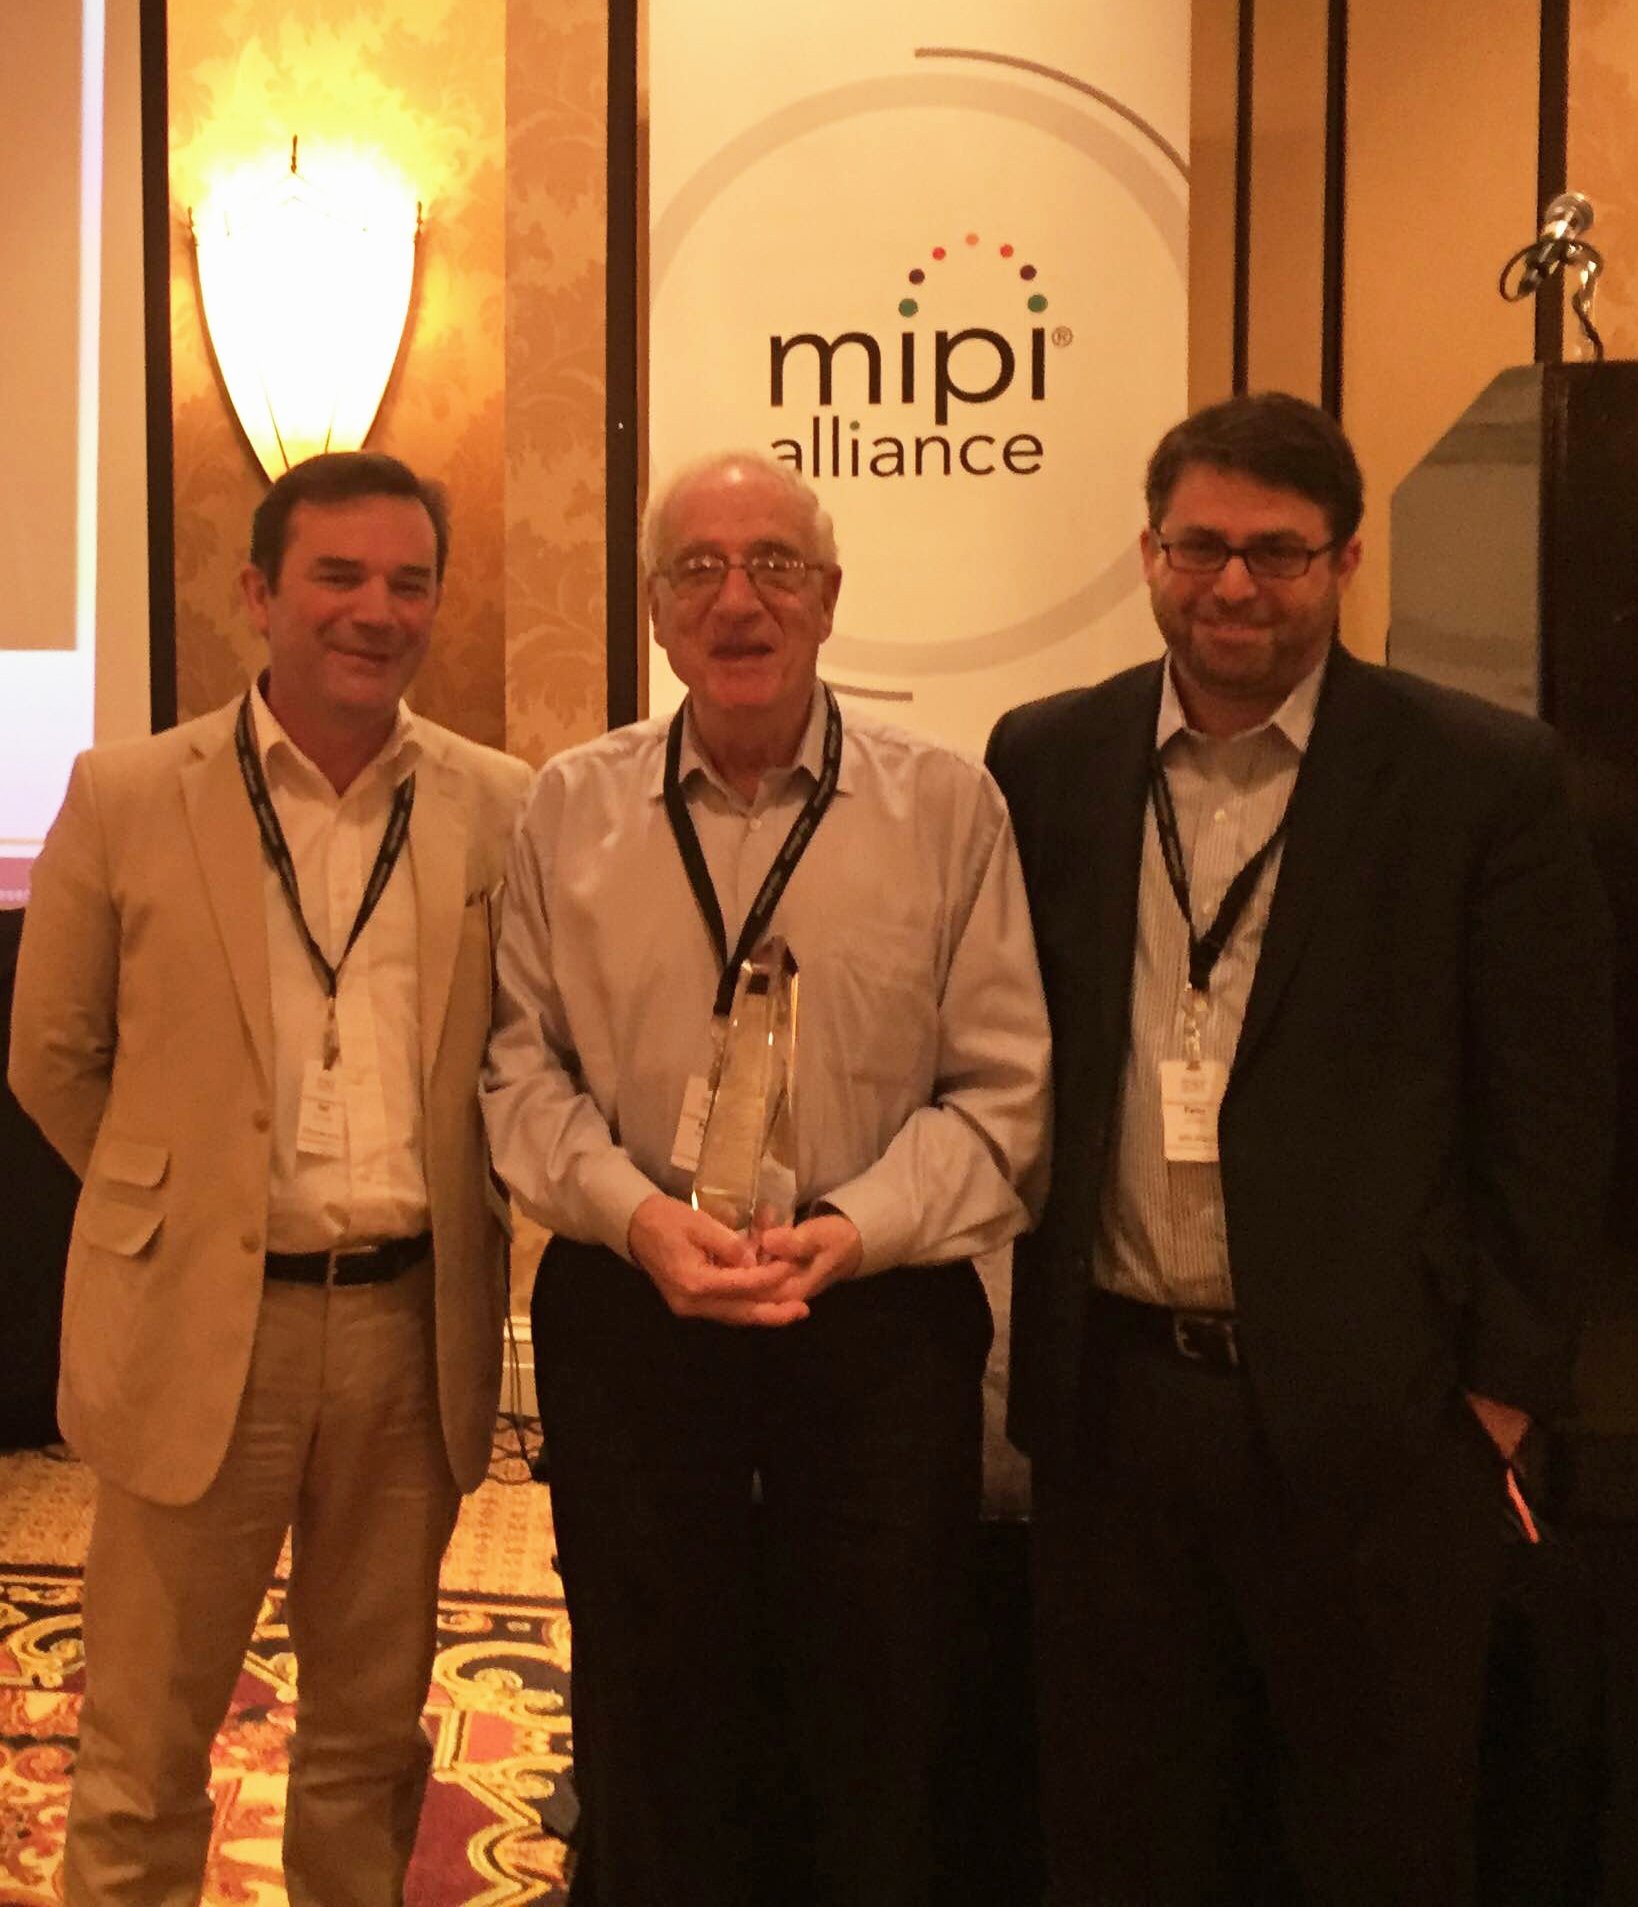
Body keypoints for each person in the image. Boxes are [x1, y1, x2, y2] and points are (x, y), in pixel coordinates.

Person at [985, 391, 1614, 1907]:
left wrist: (1494, 1406)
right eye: (1198, 546)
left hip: (1381, 1433)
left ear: (1344, 560)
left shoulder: (1478, 778)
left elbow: (1551, 1112)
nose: (1233, 585)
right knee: (1122, 1843)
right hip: (1115, 1414)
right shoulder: (1048, 759)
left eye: (1276, 552)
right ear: (1149, 552)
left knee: (1371, 1847)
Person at [482, 450, 1050, 1907]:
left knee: (880, 1713)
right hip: (633, 1311)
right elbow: (519, 1074)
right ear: (656, 612)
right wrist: (637, 1219)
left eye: (775, 566)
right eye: (699, 569)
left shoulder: (947, 809)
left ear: (830, 598)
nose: (738, 601)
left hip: (873, 1325)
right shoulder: (568, 809)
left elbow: (1004, 1093)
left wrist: (852, 1231)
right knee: (646, 1705)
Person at [9, 450, 531, 1905]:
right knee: (143, 1754)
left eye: (409, 582)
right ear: (258, 593)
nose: (377, 610)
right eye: (338, 575)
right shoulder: (127, 793)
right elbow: (54, 1055)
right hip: (195, 1329)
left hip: (407, 1334)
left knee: (369, 1742)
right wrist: (180, 1211)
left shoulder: (500, 803)